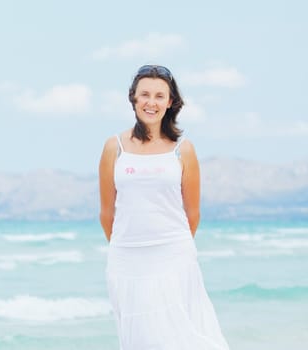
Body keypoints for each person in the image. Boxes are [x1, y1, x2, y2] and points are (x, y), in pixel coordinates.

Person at [98, 64, 230, 349]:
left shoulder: (183, 149)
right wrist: (131, 245)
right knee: (142, 339)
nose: (151, 102)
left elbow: (192, 213)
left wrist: (171, 247)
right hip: (126, 261)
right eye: (144, 94)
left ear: (170, 102)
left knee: (181, 336)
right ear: (133, 99)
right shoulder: (114, 147)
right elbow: (107, 213)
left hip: (174, 257)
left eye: (159, 96)